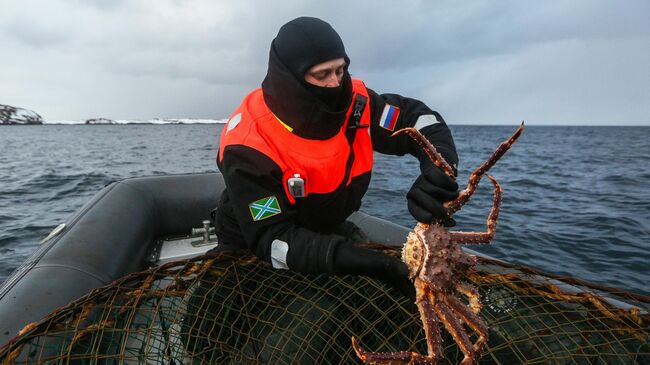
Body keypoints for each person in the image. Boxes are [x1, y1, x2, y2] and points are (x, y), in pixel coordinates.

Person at [215, 17, 458, 291]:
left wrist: (440, 165)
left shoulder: (358, 105)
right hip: (250, 246)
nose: (335, 83)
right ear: (291, 76)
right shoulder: (248, 145)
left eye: (340, 70)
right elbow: (273, 241)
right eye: (322, 75)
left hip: (327, 228)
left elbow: (420, 121)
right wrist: (349, 258)